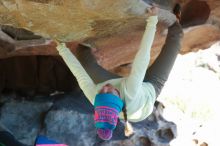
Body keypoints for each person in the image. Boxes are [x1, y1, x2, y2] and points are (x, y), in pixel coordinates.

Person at [56, 4, 183, 140]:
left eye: (101, 92)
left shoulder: (96, 98)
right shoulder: (130, 92)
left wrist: (61, 47)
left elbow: (79, 74)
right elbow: (142, 57)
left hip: (125, 96)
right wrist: (152, 20)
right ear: (118, 99)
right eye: (108, 92)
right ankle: (176, 21)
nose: (104, 88)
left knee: (84, 59)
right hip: (150, 90)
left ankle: (87, 45)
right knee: (176, 39)